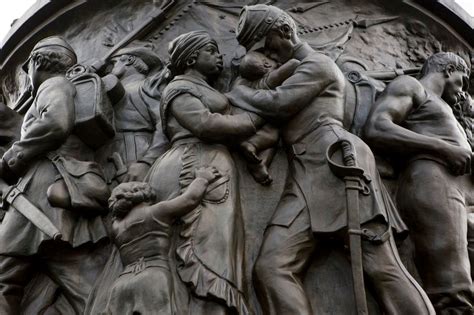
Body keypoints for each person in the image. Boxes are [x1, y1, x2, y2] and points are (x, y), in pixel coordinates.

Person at [226, 5, 434, 315]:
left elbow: (278, 105)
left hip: (337, 162)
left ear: (284, 31)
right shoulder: (291, 70)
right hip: (304, 172)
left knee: (380, 265)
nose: (268, 54)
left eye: (268, 44)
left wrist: (237, 92)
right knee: (271, 267)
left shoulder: (318, 65)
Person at [147, 30, 262, 315]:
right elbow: (205, 124)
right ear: (191, 57)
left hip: (211, 163)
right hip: (193, 163)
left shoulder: (202, 87)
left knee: (219, 245)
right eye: (211, 50)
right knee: (204, 246)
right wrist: (254, 119)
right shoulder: (179, 87)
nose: (219, 55)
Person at [0, 36, 110, 314]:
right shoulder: (63, 86)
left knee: (2, 276)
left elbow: (57, 123)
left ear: (37, 62)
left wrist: (11, 158)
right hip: (55, 194)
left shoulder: (53, 85)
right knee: (81, 279)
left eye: (28, 71)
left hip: (40, 192)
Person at [365, 52, 474, 314]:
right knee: (453, 290)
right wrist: (443, 149)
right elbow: (377, 127)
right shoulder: (412, 87)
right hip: (433, 184)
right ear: (448, 70)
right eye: (463, 82)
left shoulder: (445, 107)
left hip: (461, 194)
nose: (462, 93)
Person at [105, 166, 221, 315]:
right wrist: (202, 178)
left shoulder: (116, 228)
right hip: (152, 276)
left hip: (120, 285)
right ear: (143, 193)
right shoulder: (156, 212)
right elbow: (190, 199)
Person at [97, 42, 169, 184]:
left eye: (114, 62)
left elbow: (166, 122)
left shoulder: (146, 86)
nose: (109, 70)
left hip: (134, 157)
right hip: (107, 159)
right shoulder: (109, 91)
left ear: (128, 60)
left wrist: (147, 161)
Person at [235, 51, 300, 185]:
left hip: (238, 115)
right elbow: (294, 64)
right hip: (254, 119)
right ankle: (252, 144)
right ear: (265, 64)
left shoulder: (241, 82)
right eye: (269, 58)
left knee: (272, 138)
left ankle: (260, 164)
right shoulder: (266, 81)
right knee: (274, 133)